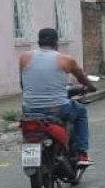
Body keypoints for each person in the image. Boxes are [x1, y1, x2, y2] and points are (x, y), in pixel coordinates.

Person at [20, 27, 97, 166]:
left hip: (29, 109)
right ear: (56, 43)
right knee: (81, 112)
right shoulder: (66, 59)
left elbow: (23, 84)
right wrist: (90, 87)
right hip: (57, 109)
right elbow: (81, 77)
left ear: (38, 42)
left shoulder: (24, 57)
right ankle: (81, 153)